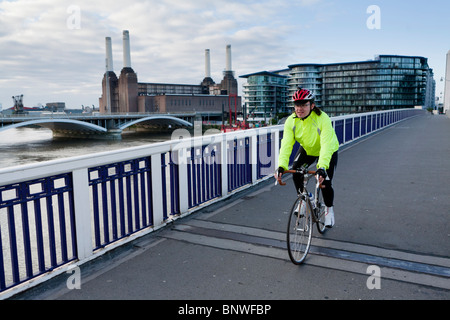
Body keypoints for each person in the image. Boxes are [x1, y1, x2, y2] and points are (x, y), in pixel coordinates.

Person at [275, 88, 339, 228]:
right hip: (308, 149)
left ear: (312, 105)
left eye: (304, 105)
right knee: (296, 171)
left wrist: (321, 167)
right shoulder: (290, 122)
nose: (300, 108)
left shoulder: (322, 119)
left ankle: (329, 210)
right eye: (297, 105)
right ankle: (304, 199)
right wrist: (281, 166)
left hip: (327, 149)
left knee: (325, 181)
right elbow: (286, 145)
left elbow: (326, 144)